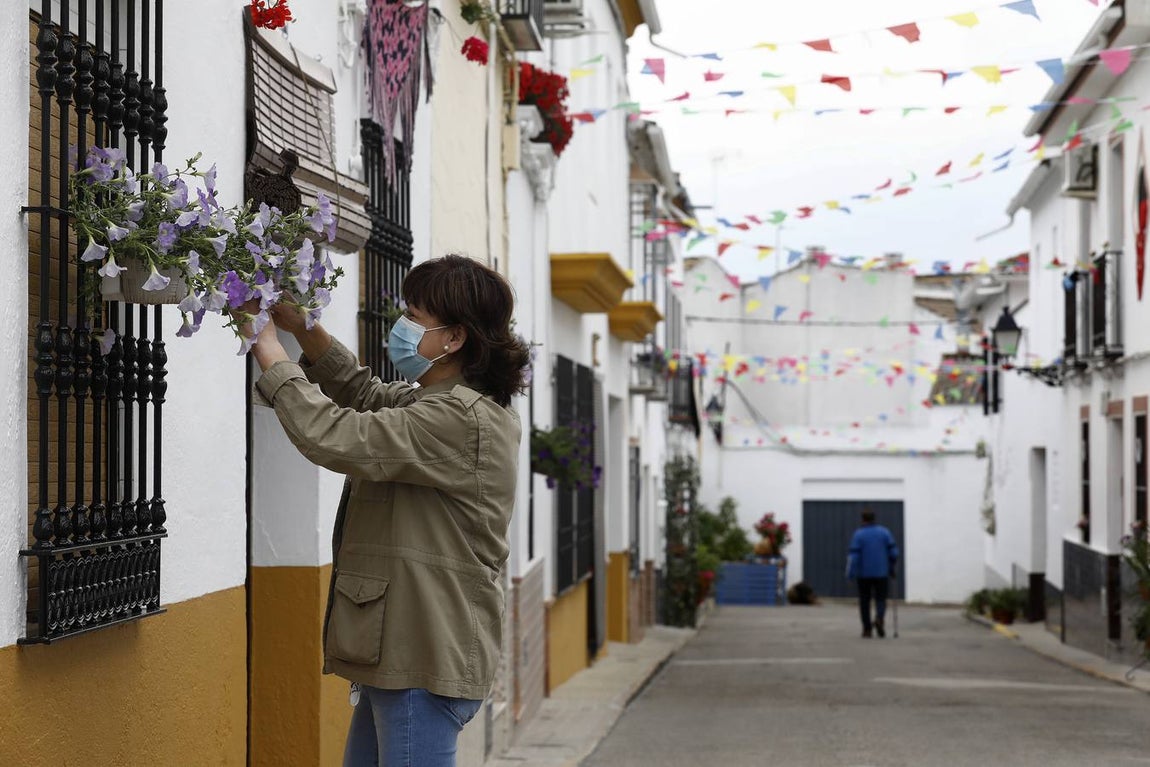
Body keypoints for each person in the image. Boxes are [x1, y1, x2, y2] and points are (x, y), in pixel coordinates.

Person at [242, 254, 530, 766]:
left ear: (454, 337)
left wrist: (266, 347)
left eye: (414, 317)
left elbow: (336, 436)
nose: (402, 326)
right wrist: (304, 329)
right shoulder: (444, 402)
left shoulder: (458, 418)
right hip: (405, 649)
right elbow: (366, 394)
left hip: (422, 653)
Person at [847, 508, 900, 638]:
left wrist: (850, 573)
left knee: (864, 601)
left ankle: (867, 629)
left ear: (863, 519)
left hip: (864, 574)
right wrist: (892, 566)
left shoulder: (858, 535)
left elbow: (854, 556)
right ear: (874, 518)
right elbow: (893, 552)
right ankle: (879, 618)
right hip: (881, 572)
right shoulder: (884, 532)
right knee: (881, 598)